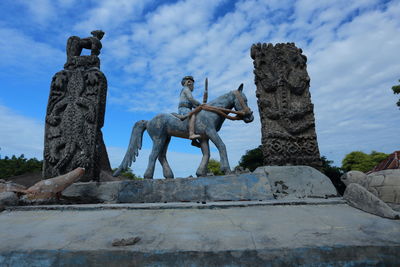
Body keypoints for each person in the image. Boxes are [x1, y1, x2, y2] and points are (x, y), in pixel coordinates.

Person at [178, 76, 202, 141]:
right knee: (192, 115)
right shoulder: (186, 89)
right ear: (188, 82)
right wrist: (200, 104)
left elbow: (192, 104)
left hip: (187, 108)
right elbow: (191, 99)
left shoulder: (186, 90)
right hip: (183, 109)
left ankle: (194, 141)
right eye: (193, 84)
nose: (193, 86)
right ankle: (191, 134)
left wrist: (198, 107)